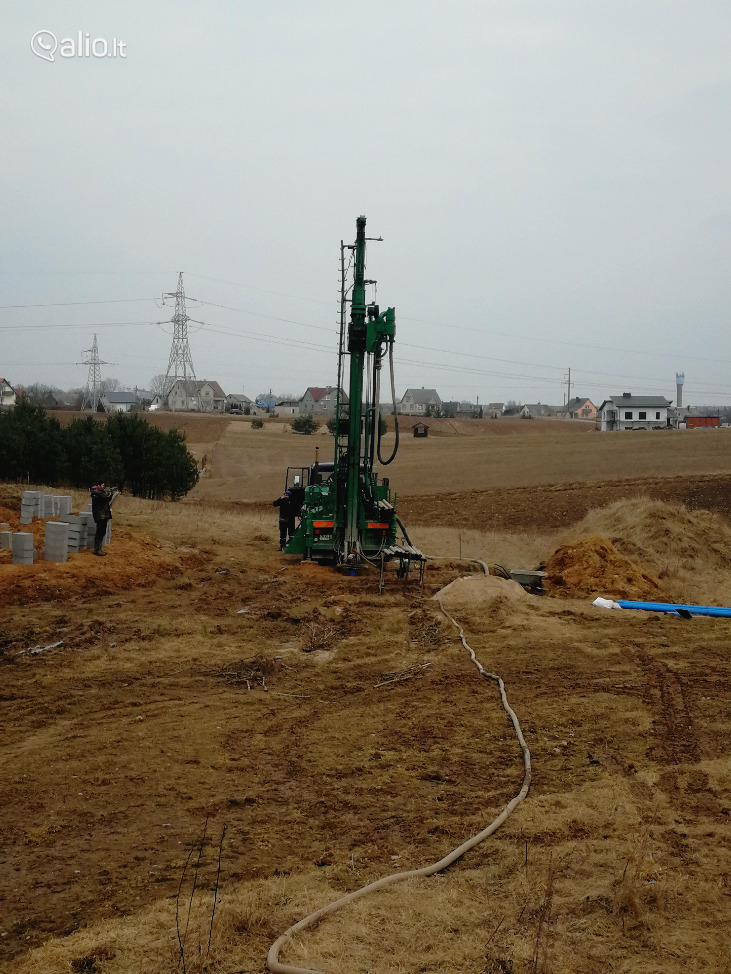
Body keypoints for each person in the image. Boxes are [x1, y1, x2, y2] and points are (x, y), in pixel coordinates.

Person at [89, 483, 117, 557]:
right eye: (102, 485)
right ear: (98, 485)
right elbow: (106, 497)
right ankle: (97, 550)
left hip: (103, 515)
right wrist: (111, 492)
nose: (104, 486)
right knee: (100, 532)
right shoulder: (96, 492)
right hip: (100, 515)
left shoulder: (98, 492)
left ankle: (99, 549)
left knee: (102, 532)